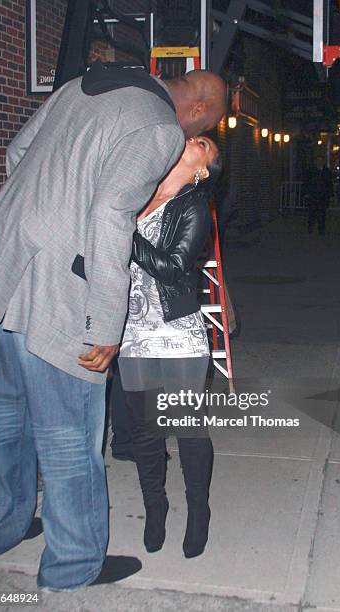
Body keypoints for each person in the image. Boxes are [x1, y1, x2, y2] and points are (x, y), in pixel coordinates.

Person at [0, 64, 227, 592]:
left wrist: (33, 220)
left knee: (5, 418)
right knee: (68, 435)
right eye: (208, 126)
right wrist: (106, 324)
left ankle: (2, 529)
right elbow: (112, 215)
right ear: (197, 109)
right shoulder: (158, 127)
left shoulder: (89, 84)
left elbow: (18, 153)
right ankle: (73, 565)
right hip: (54, 293)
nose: (198, 140)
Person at [118, 135, 221, 559]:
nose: (193, 139)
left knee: (187, 430)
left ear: (203, 170)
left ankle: (199, 511)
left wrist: (122, 226)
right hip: (129, 331)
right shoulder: (138, 189)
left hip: (176, 331)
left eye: (205, 144)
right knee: (145, 432)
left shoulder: (195, 205)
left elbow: (174, 269)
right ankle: (155, 507)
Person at [303, 155, 334, 235]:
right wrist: (306, 193)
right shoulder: (310, 171)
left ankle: (321, 228)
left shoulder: (327, 171)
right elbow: (306, 182)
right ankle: (310, 226)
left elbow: (330, 183)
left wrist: (330, 195)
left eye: (321, 160)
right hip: (313, 195)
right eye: (318, 160)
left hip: (323, 196)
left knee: (322, 213)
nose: (319, 162)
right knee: (312, 212)